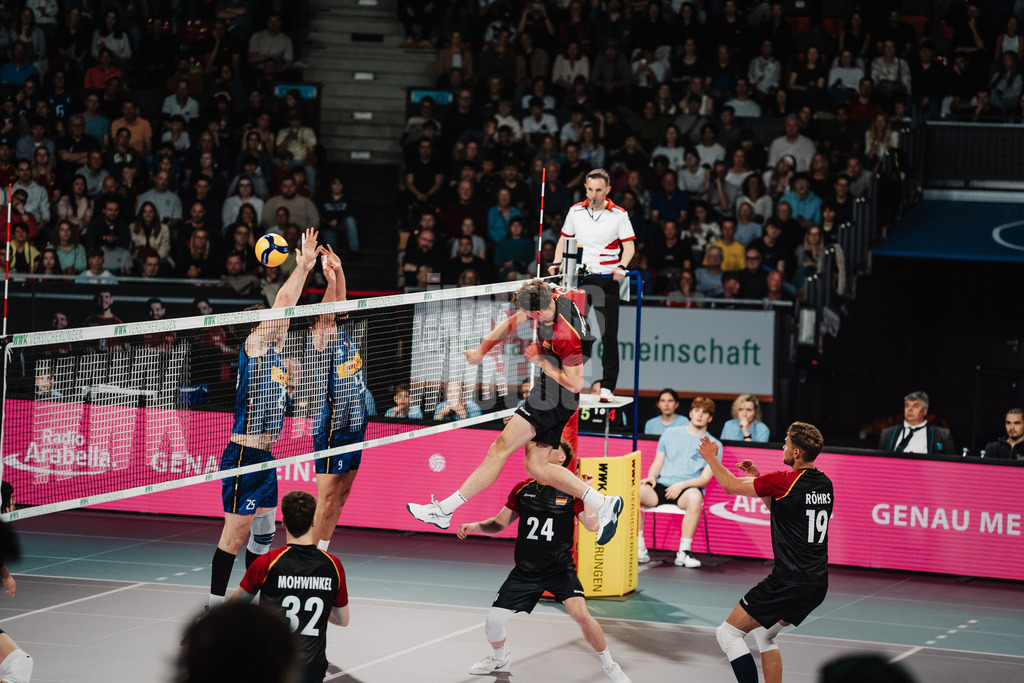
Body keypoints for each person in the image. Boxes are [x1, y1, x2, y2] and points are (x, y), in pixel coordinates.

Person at [407, 279, 623, 545]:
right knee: (537, 467)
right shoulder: (552, 298)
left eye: (529, 314)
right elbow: (510, 323)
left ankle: (444, 509)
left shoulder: (566, 334)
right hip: (551, 391)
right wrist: (480, 352)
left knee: (499, 448)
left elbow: (576, 383)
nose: (526, 318)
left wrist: (541, 361)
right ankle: (603, 502)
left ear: (538, 311)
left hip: (556, 395)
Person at [203, 228, 320, 614]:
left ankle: (251, 604)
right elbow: (283, 304)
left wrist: (303, 272)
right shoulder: (253, 347)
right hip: (244, 456)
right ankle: (214, 609)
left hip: (266, 458)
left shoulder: (273, 351)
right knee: (234, 537)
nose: (277, 323)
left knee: (265, 535)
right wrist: (302, 265)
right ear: (256, 327)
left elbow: (287, 309)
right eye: (268, 320)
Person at [457, 439, 631, 682]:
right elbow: (498, 523)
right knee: (493, 623)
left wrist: (588, 494)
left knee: (582, 616)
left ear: (561, 458)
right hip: (525, 571)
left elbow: (592, 526)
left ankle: (610, 666)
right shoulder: (522, 488)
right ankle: (499, 658)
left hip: (559, 569)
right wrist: (476, 526)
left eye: (550, 448)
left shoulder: (574, 490)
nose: (541, 450)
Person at [697, 422, 832, 683]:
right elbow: (785, 513)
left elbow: (731, 486)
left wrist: (712, 458)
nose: (783, 446)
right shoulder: (825, 484)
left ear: (796, 453)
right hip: (817, 584)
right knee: (764, 633)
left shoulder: (783, 481)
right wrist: (760, 479)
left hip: (788, 582)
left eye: (786, 443)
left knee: (728, 634)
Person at [230, 490, 349, 683]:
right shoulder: (333, 565)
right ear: (313, 521)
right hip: (312, 669)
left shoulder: (266, 562)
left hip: (274, 665)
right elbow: (342, 620)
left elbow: (234, 608)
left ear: (283, 521)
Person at [550, 169, 634, 402]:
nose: (593, 195)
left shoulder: (619, 214)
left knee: (609, 335)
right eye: (590, 189)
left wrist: (622, 266)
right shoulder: (575, 211)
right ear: (585, 188)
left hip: (607, 280)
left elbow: (629, 247)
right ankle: (569, 382)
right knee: (574, 333)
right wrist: (556, 262)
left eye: (598, 190)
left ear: (607, 190)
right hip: (580, 280)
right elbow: (564, 239)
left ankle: (607, 386)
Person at [307, 246, 368, 551]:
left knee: (342, 496)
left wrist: (339, 270)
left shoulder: (341, 335)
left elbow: (340, 305)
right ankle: (308, 554)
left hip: (356, 425)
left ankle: (323, 550)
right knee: (328, 498)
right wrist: (329, 282)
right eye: (326, 319)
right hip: (334, 428)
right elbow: (328, 310)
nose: (331, 320)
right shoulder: (319, 343)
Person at [638, 396, 721, 568]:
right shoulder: (670, 433)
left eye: (704, 412)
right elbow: (657, 463)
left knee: (695, 498)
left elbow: (704, 480)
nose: (700, 415)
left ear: (710, 418)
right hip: (662, 485)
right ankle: (638, 548)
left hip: (687, 489)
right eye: (697, 410)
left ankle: (684, 552)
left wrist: (681, 485)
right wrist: (652, 477)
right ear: (690, 413)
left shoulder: (714, 445)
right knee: (634, 492)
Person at [878, 391, 955, 455]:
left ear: (924, 411)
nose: (909, 409)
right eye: (907, 406)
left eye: (915, 406)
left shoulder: (942, 435)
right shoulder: (887, 434)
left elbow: (952, 464)